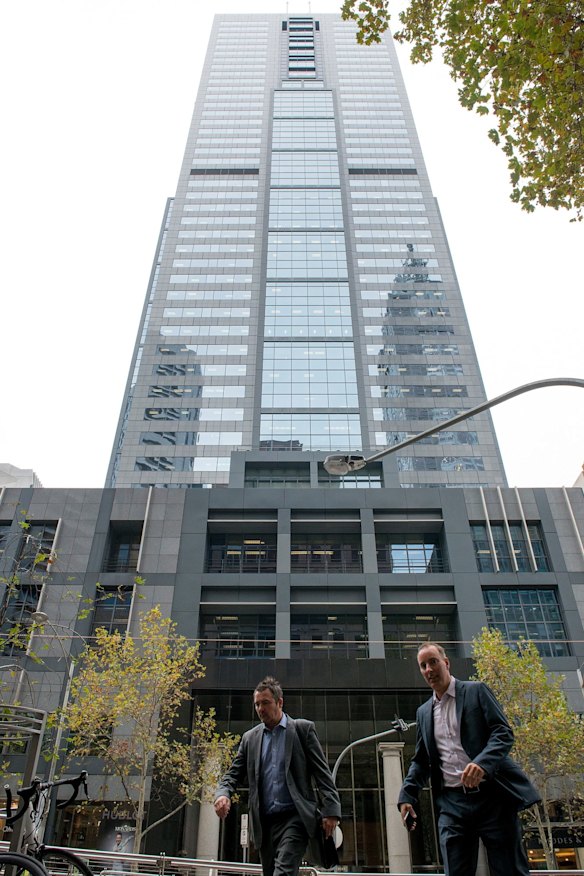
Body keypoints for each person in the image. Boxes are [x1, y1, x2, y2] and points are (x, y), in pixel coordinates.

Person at [398, 642, 540, 876]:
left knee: (510, 870)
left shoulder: (476, 691)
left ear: (446, 663)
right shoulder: (423, 713)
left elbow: (503, 732)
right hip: (452, 805)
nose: (429, 669)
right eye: (423, 666)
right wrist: (407, 796)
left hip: (493, 798)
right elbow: (422, 760)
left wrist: (481, 764)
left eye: (433, 662)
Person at [214, 676, 341, 876]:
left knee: (283, 872)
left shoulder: (302, 730)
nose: (260, 709)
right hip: (264, 824)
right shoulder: (250, 739)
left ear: (279, 702)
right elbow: (233, 774)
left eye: (265, 703)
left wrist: (331, 810)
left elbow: (322, 773)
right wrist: (223, 794)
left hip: (295, 817)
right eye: (257, 704)